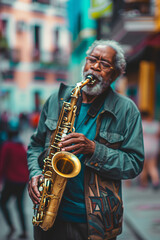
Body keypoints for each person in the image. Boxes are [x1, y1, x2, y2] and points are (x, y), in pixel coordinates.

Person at [27, 40, 144, 240]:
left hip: (95, 224)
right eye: (92, 60)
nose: (96, 67)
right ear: (85, 63)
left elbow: (134, 164)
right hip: (48, 217)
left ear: (115, 74)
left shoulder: (127, 110)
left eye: (105, 64)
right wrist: (36, 173)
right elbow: (36, 145)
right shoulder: (57, 99)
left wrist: (93, 149)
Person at [0, 127, 29, 239]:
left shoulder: (7, 146)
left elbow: (1, 165)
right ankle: (25, 231)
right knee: (20, 206)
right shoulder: (23, 146)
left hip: (11, 180)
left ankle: (11, 226)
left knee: (3, 203)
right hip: (22, 181)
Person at [140, 110, 160, 189]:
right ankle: (155, 181)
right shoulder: (156, 124)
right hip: (154, 147)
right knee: (152, 166)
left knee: (143, 167)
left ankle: (144, 183)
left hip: (144, 147)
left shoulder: (142, 124)